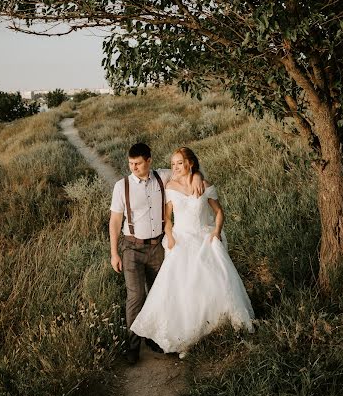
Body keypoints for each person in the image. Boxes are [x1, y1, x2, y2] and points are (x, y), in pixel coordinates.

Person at [130, 147, 254, 358]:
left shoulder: (203, 185)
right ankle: (184, 337)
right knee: (183, 288)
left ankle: (215, 327)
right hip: (181, 239)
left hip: (203, 238)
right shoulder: (169, 185)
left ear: (190, 164)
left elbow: (219, 211)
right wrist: (169, 237)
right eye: (173, 164)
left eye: (179, 163)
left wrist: (216, 232)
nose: (175, 167)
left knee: (215, 283)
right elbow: (167, 218)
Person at [109, 143, 204, 364]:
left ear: (149, 160)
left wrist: (197, 175)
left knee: (159, 293)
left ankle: (156, 338)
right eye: (130, 163)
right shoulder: (121, 186)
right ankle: (133, 346)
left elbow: (184, 170)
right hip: (132, 247)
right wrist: (114, 253)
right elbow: (114, 221)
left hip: (157, 247)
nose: (133, 167)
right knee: (136, 297)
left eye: (138, 163)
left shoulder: (162, 176)